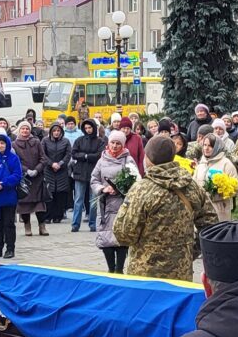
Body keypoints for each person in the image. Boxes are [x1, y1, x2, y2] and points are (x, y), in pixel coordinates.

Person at [114, 135, 210, 283]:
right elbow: (211, 226)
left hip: (145, 274)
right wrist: (189, 250)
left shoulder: (142, 189)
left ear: (149, 158)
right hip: (181, 272)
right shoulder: (192, 186)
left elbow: (124, 235)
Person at [91, 131, 132, 273]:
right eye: (112, 143)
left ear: (123, 145)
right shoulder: (102, 160)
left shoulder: (128, 160)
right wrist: (103, 188)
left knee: (121, 239)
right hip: (105, 205)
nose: (115, 146)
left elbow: (135, 180)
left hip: (122, 204)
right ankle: (110, 269)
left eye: (118, 143)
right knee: (105, 239)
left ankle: (119, 269)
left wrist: (121, 188)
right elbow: (94, 180)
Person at [69, 118, 103, 231]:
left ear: (94, 128)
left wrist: (85, 156)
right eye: (86, 128)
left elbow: (99, 155)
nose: (88, 130)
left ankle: (92, 223)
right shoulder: (79, 140)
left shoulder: (100, 141)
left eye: (90, 127)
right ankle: (75, 224)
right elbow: (74, 153)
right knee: (78, 199)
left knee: (93, 200)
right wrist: (86, 156)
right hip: (80, 173)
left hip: (94, 173)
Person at [13, 124, 46, 236]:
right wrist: (26, 171)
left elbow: (43, 158)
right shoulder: (14, 144)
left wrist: (37, 170)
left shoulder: (36, 142)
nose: (25, 130)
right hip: (24, 179)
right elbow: (15, 161)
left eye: (27, 128)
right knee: (24, 205)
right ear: (19, 130)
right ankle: (27, 227)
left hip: (37, 178)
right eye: (23, 128)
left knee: (40, 205)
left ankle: (42, 226)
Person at [41, 122, 73, 224]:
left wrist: (60, 164)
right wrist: (51, 164)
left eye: (58, 131)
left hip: (62, 170)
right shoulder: (45, 141)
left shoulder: (66, 141)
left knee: (60, 193)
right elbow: (43, 154)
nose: (56, 133)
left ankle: (58, 216)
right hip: (49, 170)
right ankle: (47, 216)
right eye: (54, 131)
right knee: (49, 192)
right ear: (51, 132)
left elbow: (68, 155)